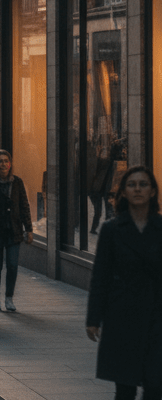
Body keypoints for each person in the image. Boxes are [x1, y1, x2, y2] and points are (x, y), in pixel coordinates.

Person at [86, 166, 162, 400]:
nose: (137, 189)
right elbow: (101, 276)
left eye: (143, 184)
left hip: (157, 317)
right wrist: (93, 319)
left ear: (152, 192)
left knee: (156, 385)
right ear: (124, 193)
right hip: (122, 316)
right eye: (132, 184)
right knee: (125, 387)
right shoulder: (111, 230)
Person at [0, 150, 33, 312]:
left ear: (10, 164)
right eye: (0, 161)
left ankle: (9, 298)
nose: (4, 164)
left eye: (6, 161)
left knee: (12, 265)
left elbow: (24, 205)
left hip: (14, 230)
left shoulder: (17, 182)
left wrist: (29, 229)